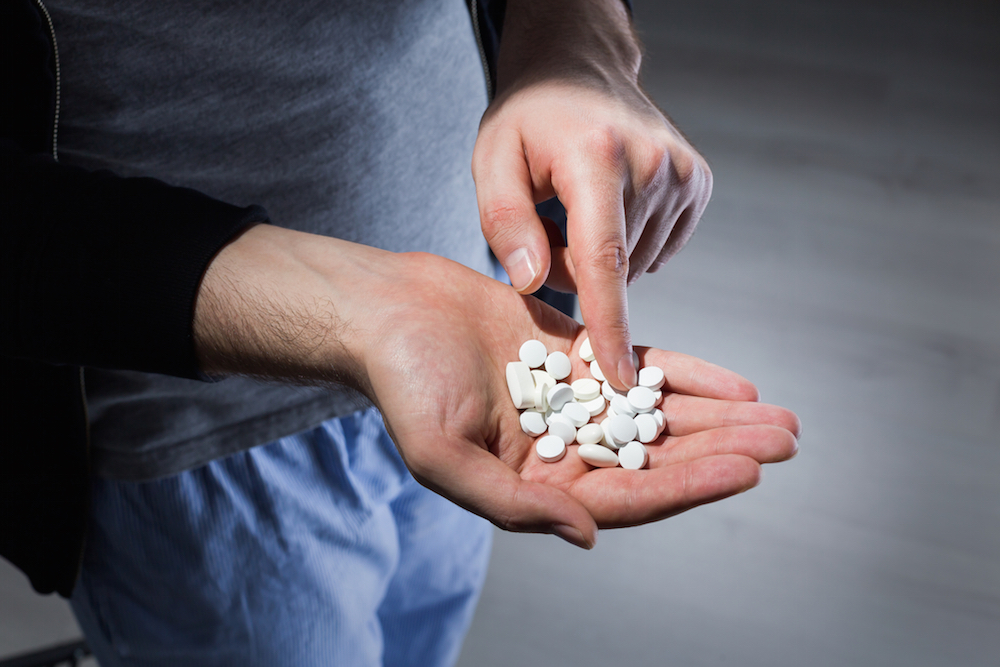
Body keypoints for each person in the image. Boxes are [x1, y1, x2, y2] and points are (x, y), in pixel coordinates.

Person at [1, 0, 801, 665]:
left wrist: (570, 41)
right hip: (187, 434)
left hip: (472, 333)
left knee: (422, 637)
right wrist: (366, 313)